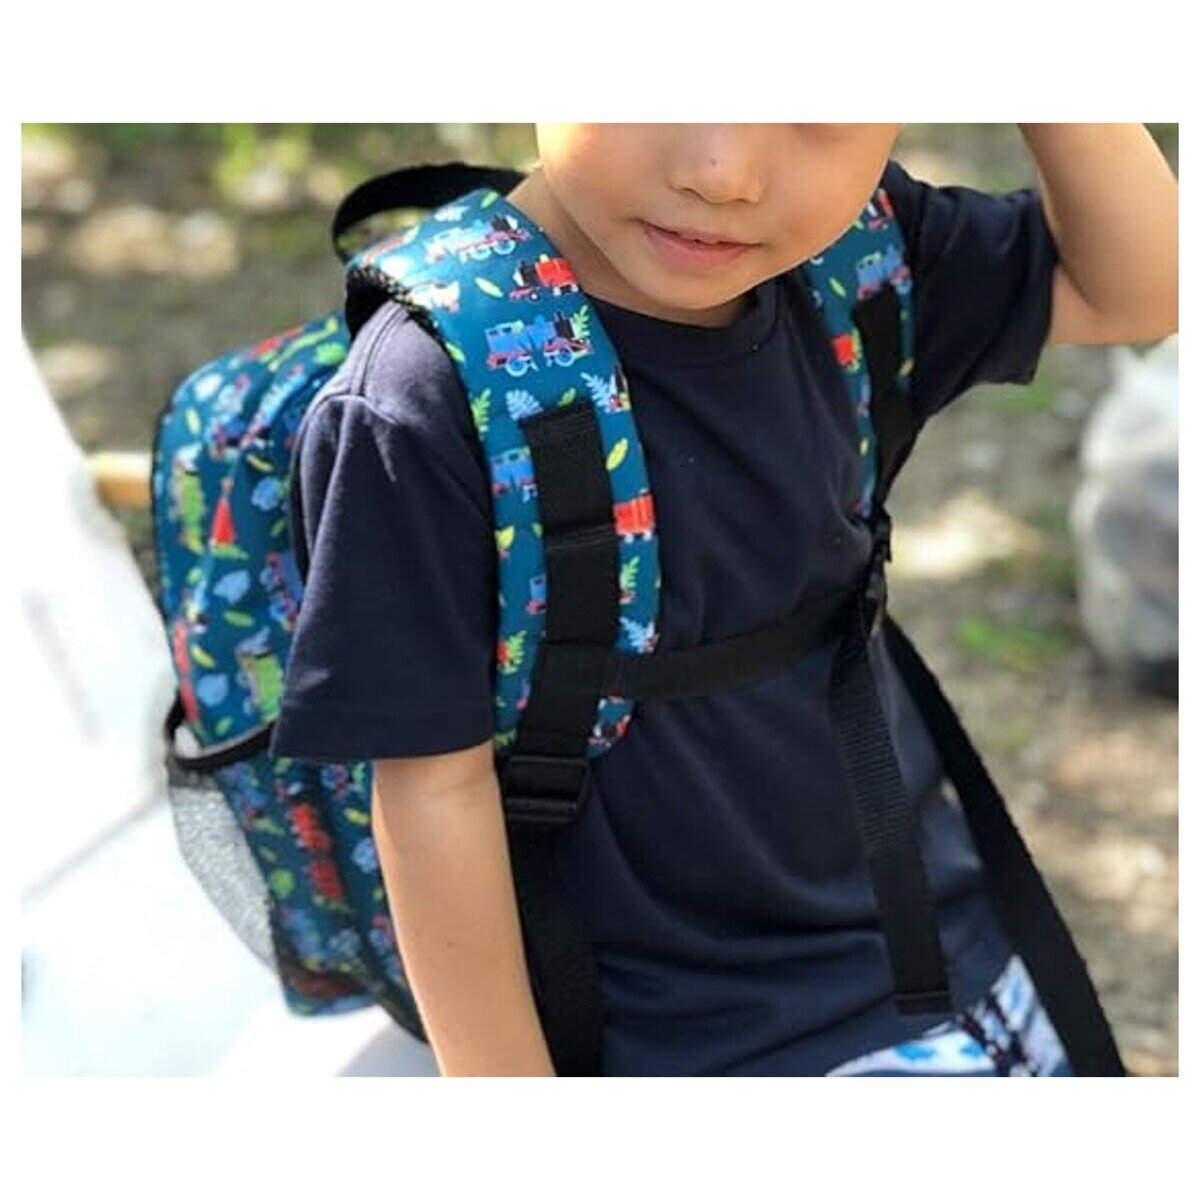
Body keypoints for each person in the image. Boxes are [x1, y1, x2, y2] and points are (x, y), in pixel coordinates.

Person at [269, 124, 1178, 1076]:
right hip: (681, 1038)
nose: (722, 175)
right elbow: (431, 794)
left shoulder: (858, 257)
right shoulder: (432, 394)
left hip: (938, 948)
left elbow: (1147, 286)